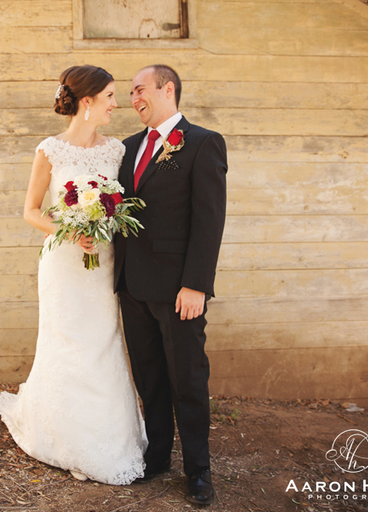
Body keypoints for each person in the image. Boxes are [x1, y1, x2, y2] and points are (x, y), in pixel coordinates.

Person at [0, 65, 147, 485]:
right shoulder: (50, 150)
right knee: (66, 340)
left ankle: (109, 437)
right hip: (63, 262)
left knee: (102, 340)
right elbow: (30, 211)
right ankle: (61, 434)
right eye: (112, 97)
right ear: (88, 101)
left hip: (103, 262)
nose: (119, 104)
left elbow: (122, 205)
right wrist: (71, 228)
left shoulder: (116, 151)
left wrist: (103, 225)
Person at [113, 64, 227, 505]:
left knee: (188, 379)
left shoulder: (201, 143)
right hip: (133, 285)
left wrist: (196, 285)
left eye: (139, 89)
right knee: (151, 377)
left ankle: (199, 471)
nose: (133, 98)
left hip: (180, 290)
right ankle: (158, 456)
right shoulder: (127, 148)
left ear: (168, 89)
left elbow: (209, 220)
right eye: (129, 93)